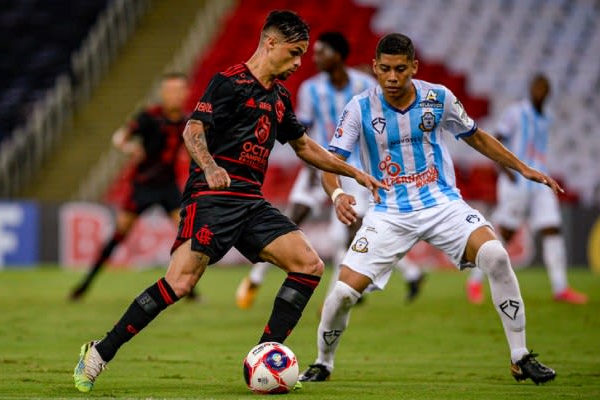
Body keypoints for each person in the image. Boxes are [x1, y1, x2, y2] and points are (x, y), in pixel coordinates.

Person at [72, 10, 385, 393]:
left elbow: (304, 146)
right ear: (270, 43)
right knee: (181, 282)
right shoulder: (229, 83)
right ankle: (99, 353)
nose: (299, 63)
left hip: (251, 202)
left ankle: (265, 358)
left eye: (303, 54)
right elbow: (193, 129)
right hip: (212, 197)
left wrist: (351, 171)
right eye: (294, 52)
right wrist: (209, 166)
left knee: (308, 265)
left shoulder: (280, 97)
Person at [298, 33, 558, 385]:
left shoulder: (438, 98)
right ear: (374, 68)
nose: (392, 77)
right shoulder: (359, 107)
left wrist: (521, 166)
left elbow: (476, 135)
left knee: (496, 256)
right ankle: (323, 363)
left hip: (441, 204)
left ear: (414, 68)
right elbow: (330, 162)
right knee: (342, 294)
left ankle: (520, 356)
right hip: (388, 212)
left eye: (401, 69)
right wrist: (337, 195)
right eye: (385, 69)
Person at [235, 32, 425, 310]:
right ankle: (255, 278)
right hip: (317, 164)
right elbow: (304, 131)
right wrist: (311, 165)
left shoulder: (364, 84)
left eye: (321, 52)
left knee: (354, 228)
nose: (314, 58)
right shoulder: (310, 89)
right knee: (292, 217)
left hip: (355, 168)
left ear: (337, 55)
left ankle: (348, 289)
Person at [69, 72, 199, 301]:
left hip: (168, 187)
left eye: (179, 90)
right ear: (162, 93)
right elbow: (120, 137)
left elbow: (186, 152)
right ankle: (85, 284)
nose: (174, 95)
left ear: (186, 93)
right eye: (170, 90)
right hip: (143, 186)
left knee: (186, 237)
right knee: (119, 235)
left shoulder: (186, 123)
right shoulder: (149, 117)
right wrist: (130, 149)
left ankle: (188, 289)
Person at [465, 74, 588, 305]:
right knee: (506, 234)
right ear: (531, 89)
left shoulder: (547, 117)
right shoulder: (516, 112)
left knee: (552, 228)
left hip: (540, 180)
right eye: (537, 87)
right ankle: (475, 281)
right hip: (516, 180)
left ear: (548, 92)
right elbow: (496, 139)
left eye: (544, 88)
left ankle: (560, 287)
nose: (540, 91)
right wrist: (506, 170)